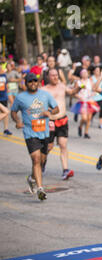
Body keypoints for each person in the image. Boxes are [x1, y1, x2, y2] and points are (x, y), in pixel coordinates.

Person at [11, 73, 60, 201]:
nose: (33, 83)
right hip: (29, 132)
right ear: (26, 83)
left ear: (38, 82)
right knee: (36, 159)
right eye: (30, 81)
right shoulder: (20, 98)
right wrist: (17, 121)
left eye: (35, 81)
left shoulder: (45, 95)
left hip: (44, 132)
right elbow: (13, 111)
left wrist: (49, 112)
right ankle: (40, 189)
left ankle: (32, 178)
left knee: (42, 160)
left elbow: (57, 109)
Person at [42, 68, 79, 180]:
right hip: (50, 121)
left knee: (63, 145)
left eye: (56, 75)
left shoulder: (62, 86)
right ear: (48, 77)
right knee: (49, 146)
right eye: (52, 75)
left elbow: (71, 92)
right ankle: (42, 162)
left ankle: (65, 170)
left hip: (62, 120)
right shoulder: (44, 90)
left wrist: (78, 87)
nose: (55, 77)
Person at [71, 69, 100, 138]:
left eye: (86, 73)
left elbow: (93, 89)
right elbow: (73, 93)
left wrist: (94, 93)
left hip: (89, 101)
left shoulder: (90, 81)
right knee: (84, 118)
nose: (85, 74)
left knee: (89, 118)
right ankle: (80, 126)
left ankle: (86, 133)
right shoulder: (78, 82)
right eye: (83, 73)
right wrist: (79, 96)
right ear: (81, 75)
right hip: (82, 101)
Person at [0, 65, 11, 135]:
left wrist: (8, 92)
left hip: (4, 97)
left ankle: (6, 129)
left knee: (6, 113)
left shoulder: (4, 75)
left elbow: (6, 85)